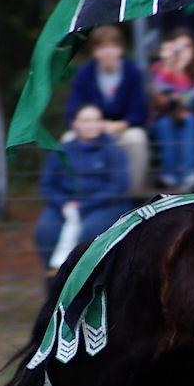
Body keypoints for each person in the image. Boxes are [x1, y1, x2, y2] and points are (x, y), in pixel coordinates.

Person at [35, 104, 131, 267]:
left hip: (103, 206)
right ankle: (53, 278)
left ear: (102, 123)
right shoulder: (62, 150)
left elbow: (119, 186)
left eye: (96, 120)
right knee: (45, 230)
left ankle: (83, 279)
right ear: (74, 124)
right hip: (64, 206)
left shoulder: (113, 150)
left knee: (88, 232)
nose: (91, 125)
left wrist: (84, 205)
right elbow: (47, 184)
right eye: (86, 120)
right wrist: (64, 204)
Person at [64, 25, 149, 195]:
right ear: (94, 51)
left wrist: (120, 125)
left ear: (120, 49)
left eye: (113, 46)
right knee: (68, 139)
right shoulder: (84, 74)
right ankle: (77, 192)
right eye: (102, 47)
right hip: (91, 128)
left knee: (137, 139)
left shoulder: (132, 72)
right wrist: (93, 126)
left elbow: (140, 111)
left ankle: (132, 194)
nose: (108, 52)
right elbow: (72, 112)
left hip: (124, 128)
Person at [151, 29, 194, 191]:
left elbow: (191, 101)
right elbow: (159, 99)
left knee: (188, 119)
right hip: (163, 124)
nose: (181, 53)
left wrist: (177, 73)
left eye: (186, 47)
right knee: (165, 122)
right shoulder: (160, 69)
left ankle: (189, 173)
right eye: (176, 48)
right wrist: (169, 69)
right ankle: (169, 174)